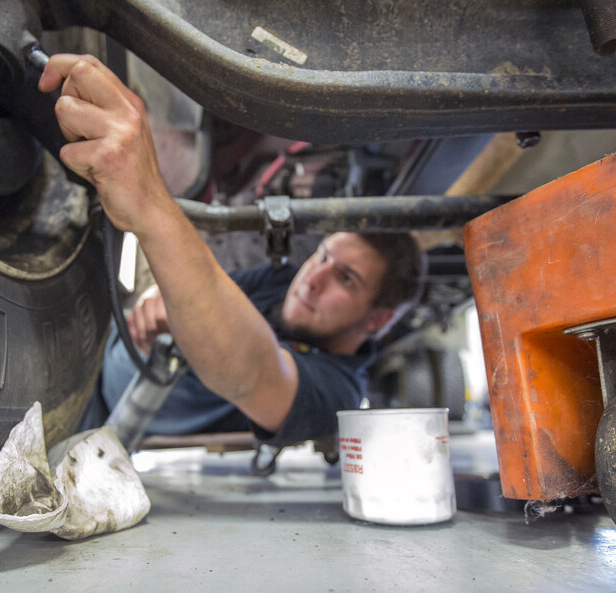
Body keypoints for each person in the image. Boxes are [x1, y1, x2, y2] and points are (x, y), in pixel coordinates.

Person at [38, 54, 424, 447]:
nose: (314, 278)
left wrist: (151, 204)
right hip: (93, 353)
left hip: (88, 431)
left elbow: (253, 372)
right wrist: (162, 296)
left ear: (377, 319)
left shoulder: (338, 392)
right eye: (323, 256)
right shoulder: (283, 281)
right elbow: (212, 290)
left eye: (346, 278)